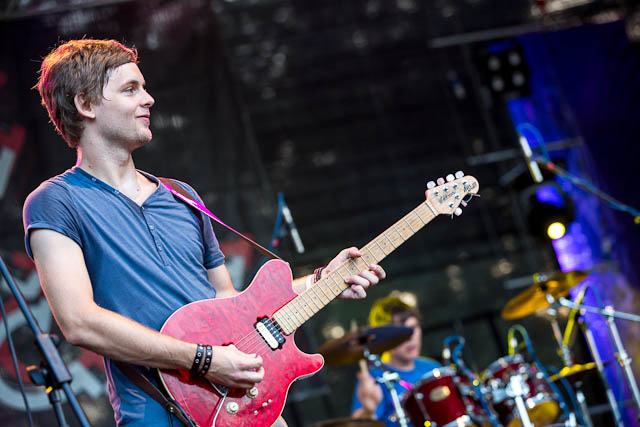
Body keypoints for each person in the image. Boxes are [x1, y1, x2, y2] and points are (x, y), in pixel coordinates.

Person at [23, 39, 387, 426]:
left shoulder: (182, 196)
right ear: (86, 104)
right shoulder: (54, 201)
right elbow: (79, 322)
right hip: (156, 409)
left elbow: (231, 303)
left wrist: (322, 281)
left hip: (237, 403)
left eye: (144, 87)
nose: (148, 99)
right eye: (131, 89)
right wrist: (205, 360)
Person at [351, 295, 440, 426]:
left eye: (413, 328)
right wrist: (367, 412)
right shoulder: (375, 379)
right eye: (400, 333)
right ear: (383, 339)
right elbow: (358, 423)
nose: (410, 337)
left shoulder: (432, 368)